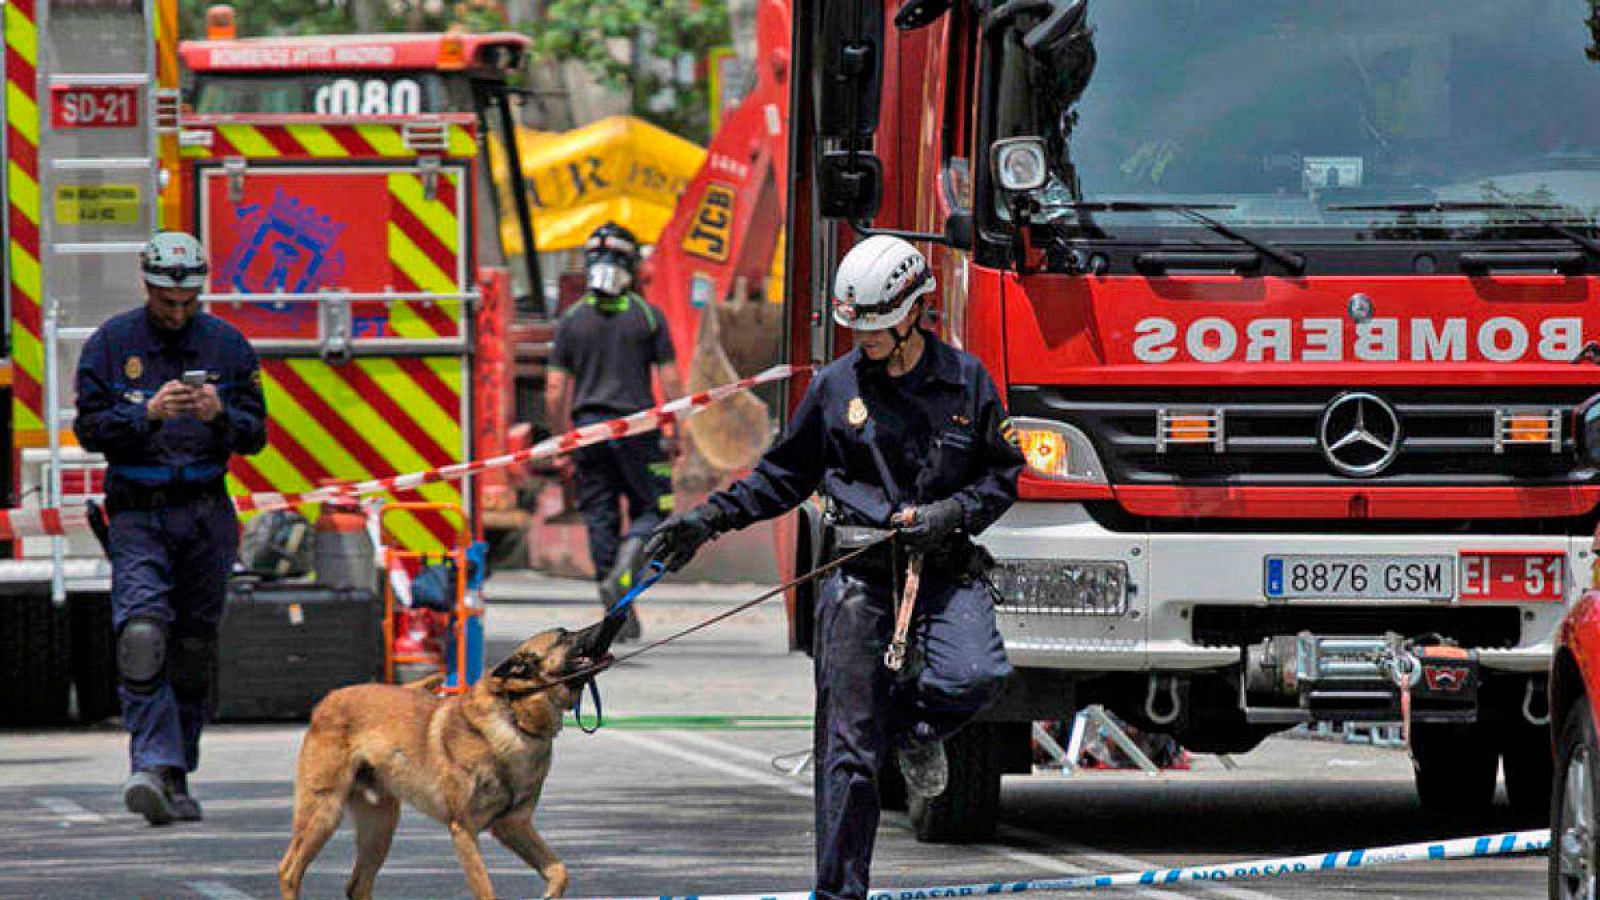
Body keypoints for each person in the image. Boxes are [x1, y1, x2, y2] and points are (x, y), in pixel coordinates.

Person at [645, 235, 1023, 899]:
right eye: (856, 327)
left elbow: (1002, 475)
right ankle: (839, 892)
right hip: (858, 580)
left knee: (976, 677)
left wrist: (954, 512)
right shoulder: (835, 387)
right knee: (848, 757)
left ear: (914, 311)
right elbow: (781, 477)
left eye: (876, 326)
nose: (865, 339)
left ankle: (908, 734)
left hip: (943, 569)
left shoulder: (967, 382)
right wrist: (706, 521)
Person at [75, 231, 267, 825]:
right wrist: (145, 414)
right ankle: (150, 766)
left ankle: (176, 769)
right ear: (147, 286)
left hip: (206, 512)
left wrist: (220, 415)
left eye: (187, 302)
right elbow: (89, 430)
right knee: (141, 637)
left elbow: (256, 434)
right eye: (166, 302)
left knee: (191, 650)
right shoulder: (111, 345)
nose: (177, 312)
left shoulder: (228, 346)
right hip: (137, 510)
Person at [546, 222, 685, 641]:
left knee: (600, 520)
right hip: (639, 430)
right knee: (653, 510)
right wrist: (674, 431)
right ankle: (628, 573)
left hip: (588, 435)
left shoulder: (571, 321)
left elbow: (555, 392)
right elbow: (673, 382)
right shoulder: (647, 316)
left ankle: (618, 605)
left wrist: (562, 440)